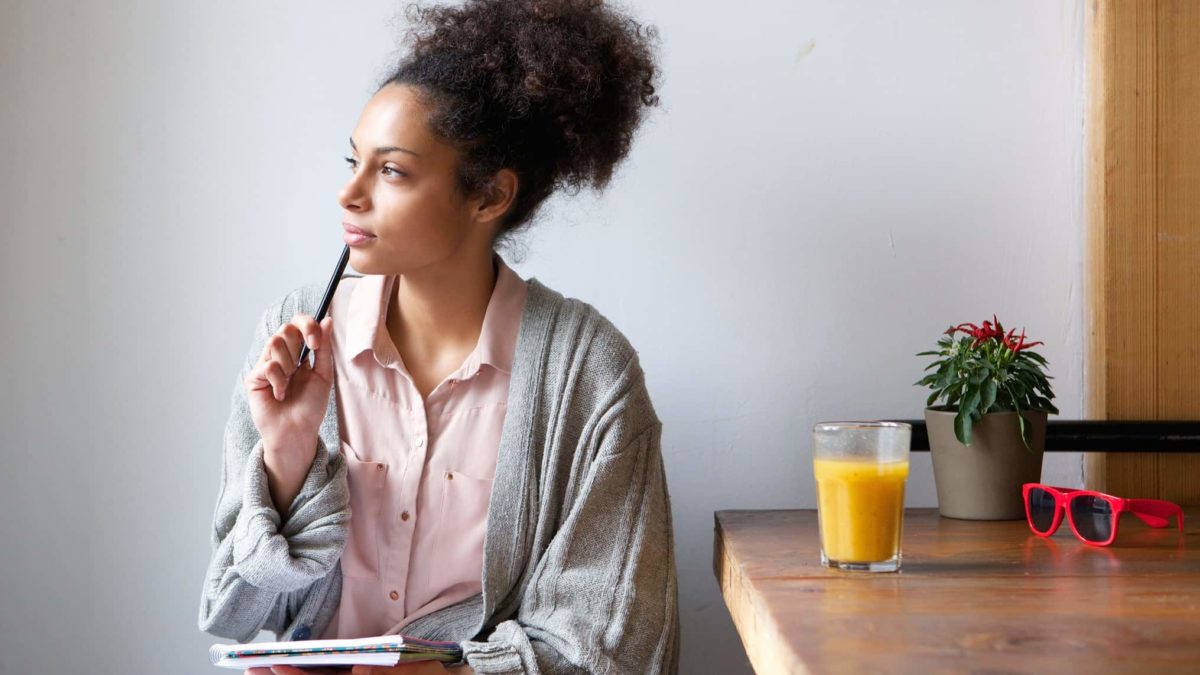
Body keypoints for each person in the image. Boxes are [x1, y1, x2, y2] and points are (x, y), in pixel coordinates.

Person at [197, 1, 678, 673]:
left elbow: (614, 644)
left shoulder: (589, 372)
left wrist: (455, 673)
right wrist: (286, 458)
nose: (349, 193)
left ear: (488, 197)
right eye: (353, 160)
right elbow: (237, 612)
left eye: (391, 171)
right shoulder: (297, 332)